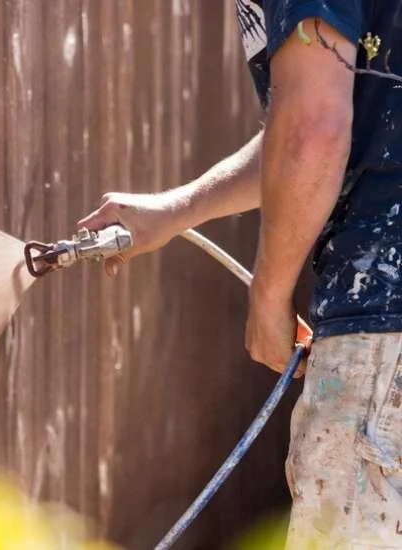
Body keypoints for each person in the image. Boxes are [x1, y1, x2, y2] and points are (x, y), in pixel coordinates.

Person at [78, 1, 402, 547]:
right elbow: (333, 125)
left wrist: (270, 295)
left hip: (383, 327)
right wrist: (178, 208)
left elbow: (315, 129)